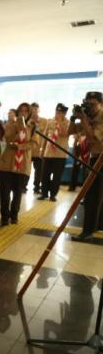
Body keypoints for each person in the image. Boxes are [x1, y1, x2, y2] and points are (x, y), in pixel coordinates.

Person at [70, 91, 103, 242]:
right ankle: (91, 229)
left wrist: (83, 119)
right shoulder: (89, 117)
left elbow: (93, 138)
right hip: (95, 159)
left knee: (94, 196)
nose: (89, 107)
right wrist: (73, 118)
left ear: (101, 104)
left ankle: (90, 230)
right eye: (87, 103)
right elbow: (70, 131)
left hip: (101, 160)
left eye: (92, 104)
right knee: (91, 196)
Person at [0, 102, 35, 225]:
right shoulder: (10, 124)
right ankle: (4, 216)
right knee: (4, 192)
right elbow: (6, 138)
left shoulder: (33, 127)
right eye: (21, 110)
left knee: (18, 192)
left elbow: (34, 144)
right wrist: (15, 128)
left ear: (29, 113)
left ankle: (14, 215)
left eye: (26, 111)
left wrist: (20, 146)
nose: (23, 113)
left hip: (22, 165)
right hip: (6, 163)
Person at [39, 103, 70, 202]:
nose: (57, 114)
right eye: (57, 112)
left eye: (60, 112)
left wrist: (60, 122)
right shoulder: (50, 121)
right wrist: (42, 149)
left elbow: (64, 133)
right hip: (48, 153)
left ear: (64, 114)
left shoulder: (68, 123)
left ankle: (53, 195)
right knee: (44, 175)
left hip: (60, 154)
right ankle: (43, 193)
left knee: (57, 176)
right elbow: (45, 136)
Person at [29, 102, 47, 193]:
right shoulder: (27, 121)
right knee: (26, 169)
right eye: (32, 109)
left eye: (36, 109)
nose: (34, 111)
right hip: (28, 149)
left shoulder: (44, 121)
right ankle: (23, 186)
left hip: (39, 151)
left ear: (38, 110)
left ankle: (36, 187)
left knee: (39, 171)